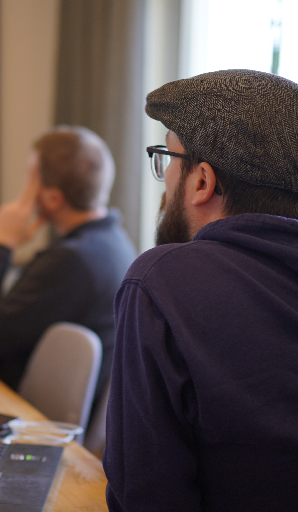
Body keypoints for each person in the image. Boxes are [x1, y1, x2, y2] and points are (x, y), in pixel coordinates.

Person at [103, 69, 298, 511]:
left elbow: (145, 494)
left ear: (202, 181)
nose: (165, 181)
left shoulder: (162, 283)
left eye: (168, 158)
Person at [0, 125, 137, 405]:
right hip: (43, 393)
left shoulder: (70, 261)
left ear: (53, 198)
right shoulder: (113, 241)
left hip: (26, 413)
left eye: (29, 177)